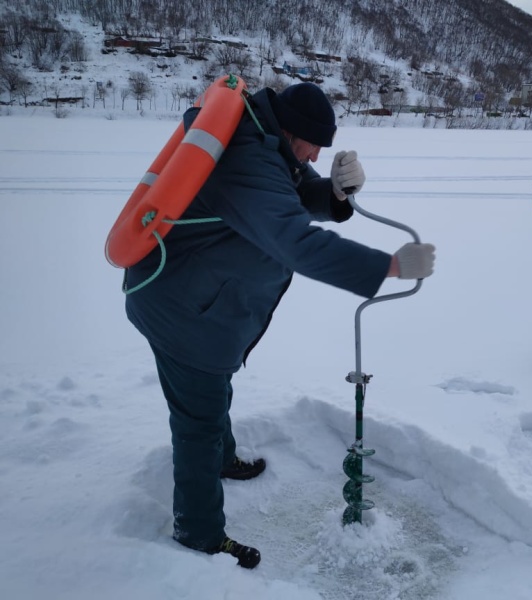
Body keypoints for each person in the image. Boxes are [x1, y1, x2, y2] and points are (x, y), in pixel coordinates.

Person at [123, 81, 436, 568]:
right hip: (181, 309)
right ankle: (199, 532)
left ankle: (221, 460)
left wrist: (332, 195)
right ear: (294, 132)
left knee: (212, 389)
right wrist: (389, 267)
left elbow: (286, 190)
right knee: (197, 423)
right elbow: (296, 242)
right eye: (314, 145)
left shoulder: (259, 139)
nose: (314, 155)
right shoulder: (244, 158)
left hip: (204, 302)